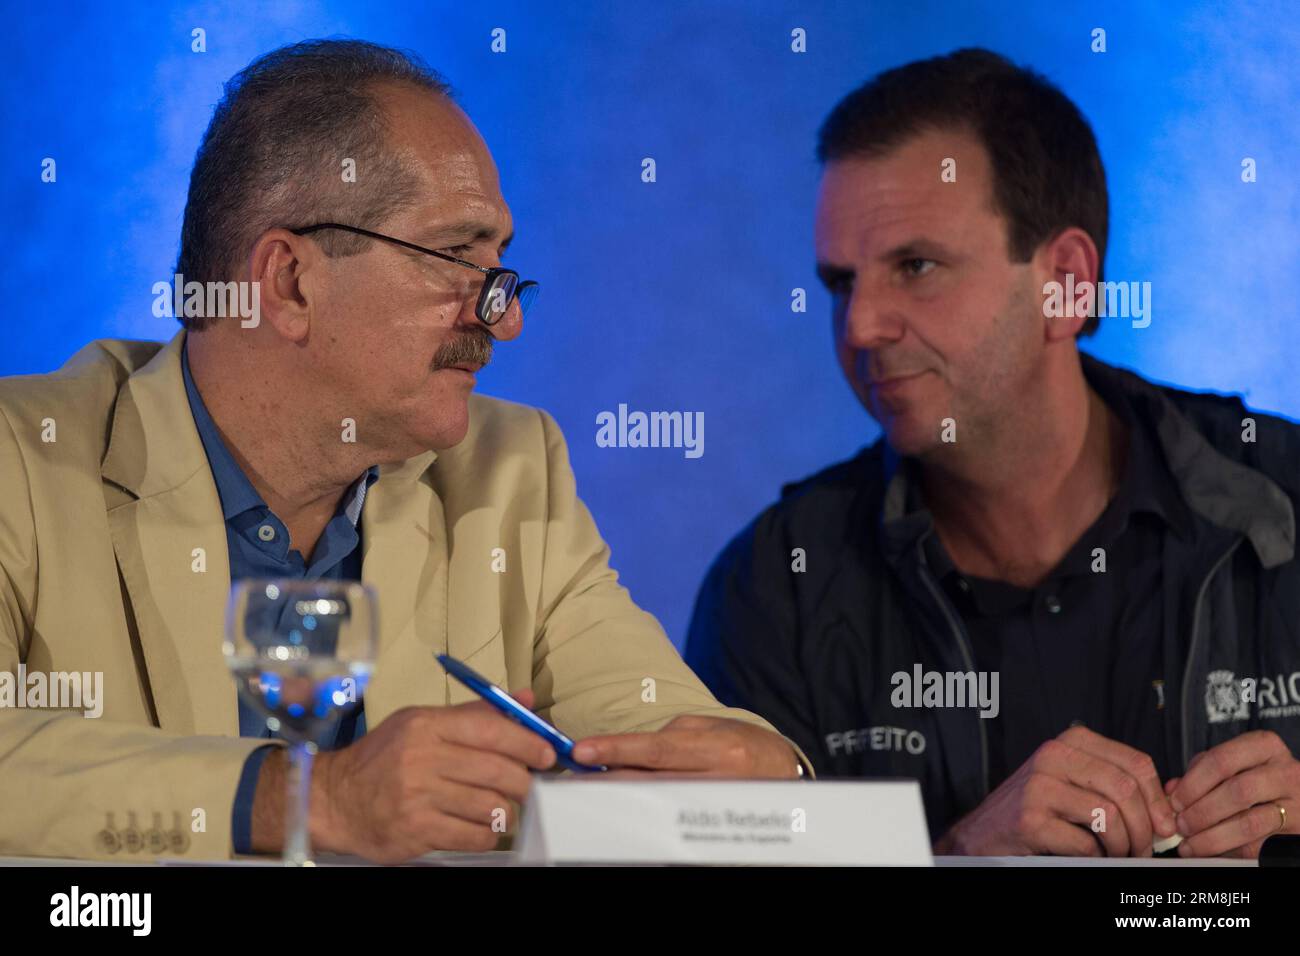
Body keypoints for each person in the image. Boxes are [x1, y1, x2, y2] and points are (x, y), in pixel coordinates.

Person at [0, 39, 805, 864]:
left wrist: (766, 767)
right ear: (289, 283)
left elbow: (654, 721)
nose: (503, 317)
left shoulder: (511, 469)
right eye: (457, 257)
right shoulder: (23, 461)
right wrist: (307, 801)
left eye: (501, 269)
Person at [687, 48, 1299, 859]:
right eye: (840, 282)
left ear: (1067, 284)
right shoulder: (775, 588)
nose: (861, 324)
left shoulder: (1284, 498)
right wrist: (958, 859)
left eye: (916, 266)